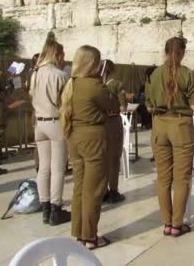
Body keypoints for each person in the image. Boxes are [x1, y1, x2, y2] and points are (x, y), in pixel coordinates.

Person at [60, 45, 118, 249]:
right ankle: (90, 236)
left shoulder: (71, 83)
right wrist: (103, 82)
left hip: (74, 137)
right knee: (93, 189)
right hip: (93, 137)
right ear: (93, 64)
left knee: (79, 187)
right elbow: (113, 106)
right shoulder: (94, 85)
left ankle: (79, 232)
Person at [146, 37, 194, 237]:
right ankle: (177, 223)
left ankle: (167, 222)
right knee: (181, 178)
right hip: (180, 126)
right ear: (183, 52)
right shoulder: (187, 74)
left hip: (159, 126)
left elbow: (149, 106)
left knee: (163, 178)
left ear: (165, 51)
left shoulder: (154, 74)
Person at [29, 35, 70, 226]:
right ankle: (56, 209)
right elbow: (66, 102)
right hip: (55, 122)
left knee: (43, 167)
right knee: (58, 168)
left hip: (39, 123)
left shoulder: (35, 74)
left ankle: (44, 208)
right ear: (57, 54)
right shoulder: (60, 75)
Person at [100, 59, 127, 204]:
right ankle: (113, 190)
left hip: (99, 123)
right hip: (113, 121)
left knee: (103, 159)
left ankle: (102, 190)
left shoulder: (97, 85)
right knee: (114, 158)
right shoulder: (117, 84)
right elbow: (123, 107)